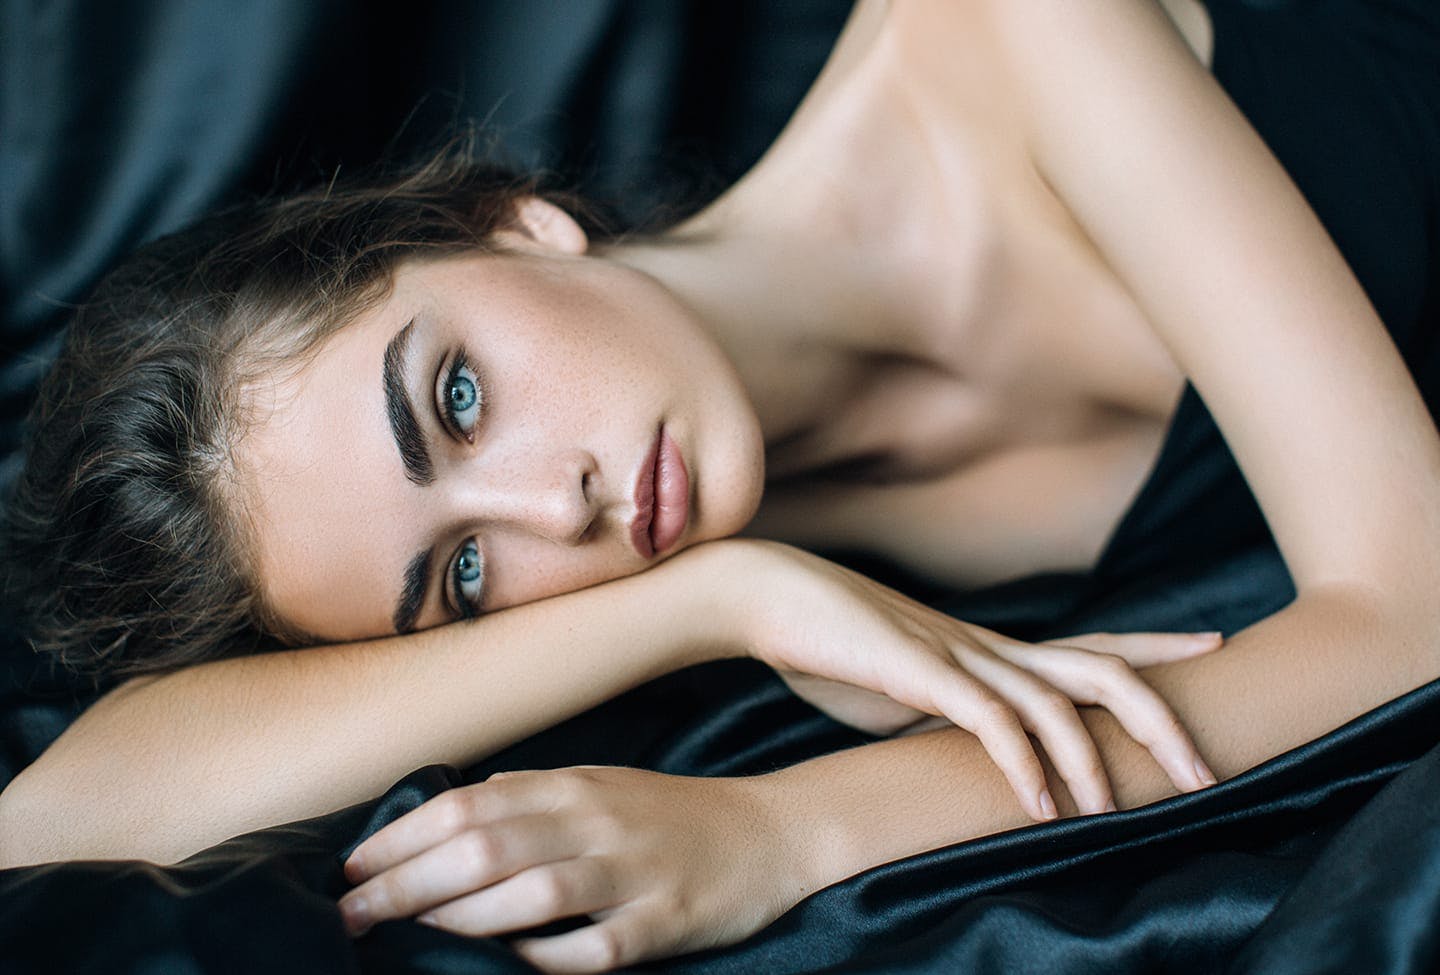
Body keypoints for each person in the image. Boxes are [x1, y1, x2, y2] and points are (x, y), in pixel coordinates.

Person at [3, 0, 1440, 972]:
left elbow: (1412, 614)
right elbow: (43, 830)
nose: (550, 512)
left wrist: (785, 831)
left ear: (511, 225)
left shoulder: (1003, 31)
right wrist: (704, 603)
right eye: (462, 579)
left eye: (455, 399)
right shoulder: (723, 565)